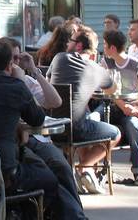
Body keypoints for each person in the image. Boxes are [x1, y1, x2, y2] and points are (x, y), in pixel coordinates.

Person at [0, 40, 86, 219]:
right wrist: (20, 80)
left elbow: (54, 102)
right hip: (5, 171)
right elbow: (37, 119)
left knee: (51, 165)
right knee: (50, 179)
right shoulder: (17, 86)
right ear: (9, 65)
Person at [47, 25, 121, 195]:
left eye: (71, 40)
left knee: (86, 118)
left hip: (54, 126)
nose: (67, 43)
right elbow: (112, 89)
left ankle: (85, 172)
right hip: (77, 128)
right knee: (115, 133)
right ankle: (83, 168)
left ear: (79, 46)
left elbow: (49, 81)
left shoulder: (59, 58)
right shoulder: (96, 69)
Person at [99, 30, 138, 186]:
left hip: (131, 107)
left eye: (105, 44)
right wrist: (125, 107)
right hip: (110, 105)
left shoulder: (136, 65)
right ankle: (95, 168)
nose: (103, 47)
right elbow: (106, 90)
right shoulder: (105, 62)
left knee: (132, 125)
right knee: (92, 119)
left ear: (112, 48)